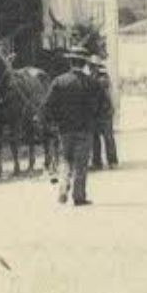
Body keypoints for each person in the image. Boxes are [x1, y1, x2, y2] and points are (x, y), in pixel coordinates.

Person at [44, 52, 102, 206]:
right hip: (85, 129)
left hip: (65, 130)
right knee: (81, 164)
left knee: (66, 159)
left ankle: (63, 187)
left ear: (70, 63)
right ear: (84, 64)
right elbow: (101, 105)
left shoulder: (59, 81)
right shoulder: (92, 83)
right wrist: (94, 120)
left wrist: (54, 121)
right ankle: (78, 196)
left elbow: (48, 105)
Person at [91, 60, 118, 171]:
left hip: (104, 113)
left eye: (93, 66)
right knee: (96, 138)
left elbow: (101, 96)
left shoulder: (102, 79)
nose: (92, 67)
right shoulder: (93, 77)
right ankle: (98, 162)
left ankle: (111, 161)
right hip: (98, 113)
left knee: (107, 137)